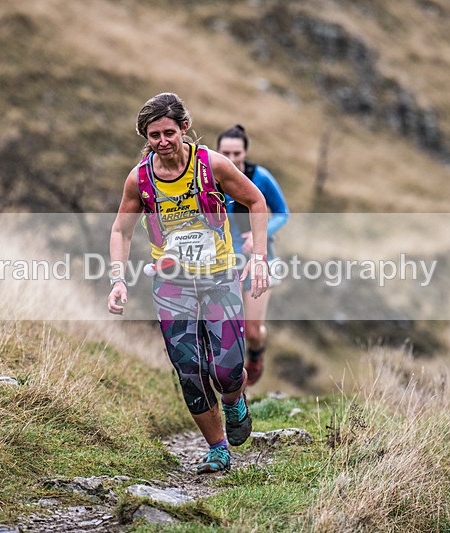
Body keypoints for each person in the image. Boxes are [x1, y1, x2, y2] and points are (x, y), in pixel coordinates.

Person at [107, 93, 270, 474]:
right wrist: (118, 280)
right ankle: (217, 448)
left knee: (228, 370)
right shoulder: (140, 179)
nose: (162, 141)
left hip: (218, 278)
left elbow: (257, 201)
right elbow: (121, 231)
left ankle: (234, 401)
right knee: (190, 371)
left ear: (184, 128)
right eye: (154, 135)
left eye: (169, 132)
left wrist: (260, 258)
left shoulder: (212, 165)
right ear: (145, 137)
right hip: (171, 285)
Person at [216, 125, 289, 386]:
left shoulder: (260, 177)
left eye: (237, 153)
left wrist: (259, 234)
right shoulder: (210, 178)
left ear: (245, 152)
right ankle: (232, 384)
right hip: (224, 261)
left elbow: (282, 213)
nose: (231, 158)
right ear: (217, 151)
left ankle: (256, 354)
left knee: (252, 330)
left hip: (260, 259)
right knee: (228, 328)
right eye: (226, 153)